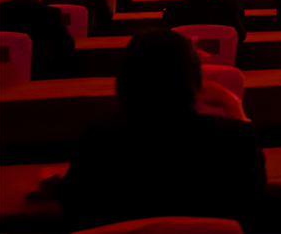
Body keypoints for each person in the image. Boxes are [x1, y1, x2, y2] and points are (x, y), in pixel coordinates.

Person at [58, 31, 265, 230]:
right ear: (195, 79)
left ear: (123, 80)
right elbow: (254, 194)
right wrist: (232, 103)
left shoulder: (99, 137)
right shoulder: (236, 138)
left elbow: (74, 201)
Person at [0, 0, 75, 79]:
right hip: (41, 71)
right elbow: (66, 44)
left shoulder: (1, 10)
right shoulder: (50, 13)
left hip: (3, 71)